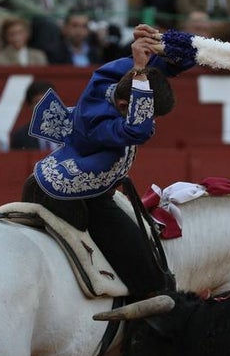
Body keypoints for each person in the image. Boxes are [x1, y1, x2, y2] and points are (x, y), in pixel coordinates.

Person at [23, 24, 197, 300]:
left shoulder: (113, 79)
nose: (150, 121)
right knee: (148, 278)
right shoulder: (100, 122)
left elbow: (177, 64)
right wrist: (140, 70)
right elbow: (137, 131)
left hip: (81, 188)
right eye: (149, 114)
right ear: (125, 106)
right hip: (66, 197)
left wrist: (160, 42)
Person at [9, 78, 58, 149]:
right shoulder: (21, 137)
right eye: (37, 102)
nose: (43, 106)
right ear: (30, 106)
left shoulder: (70, 132)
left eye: (47, 100)